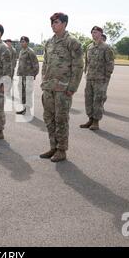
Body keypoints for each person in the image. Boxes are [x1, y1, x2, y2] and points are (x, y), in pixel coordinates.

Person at [40, 12, 84, 162]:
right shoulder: (49, 42)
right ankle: (53, 146)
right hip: (49, 87)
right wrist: (43, 81)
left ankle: (61, 150)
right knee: (49, 118)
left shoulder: (72, 42)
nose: (53, 25)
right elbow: (45, 64)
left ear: (64, 24)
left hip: (63, 88)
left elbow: (78, 66)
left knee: (61, 119)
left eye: (56, 22)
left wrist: (72, 87)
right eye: (52, 22)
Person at [80, 26, 115, 130]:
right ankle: (90, 119)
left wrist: (106, 78)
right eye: (92, 32)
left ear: (100, 34)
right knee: (88, 99)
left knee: (97, 100)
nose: (93, 34)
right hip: (90, 78)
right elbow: (87, 62)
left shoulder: (106, 48)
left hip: (101, 79)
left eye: (95, 32)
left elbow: (110, 64)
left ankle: (96, 122)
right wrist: (86, 72)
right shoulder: (89, 47)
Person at [16, 36, 39, 115]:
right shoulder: (21, 51)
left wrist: (33, 75)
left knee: (28, 93)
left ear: (27, 42)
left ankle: (28, 110)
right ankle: (24, 108)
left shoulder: (30, 51)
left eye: (23, 41)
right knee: (22, 92)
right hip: (21, 76)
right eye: (21, 41)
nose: (22, 43)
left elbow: (35, 64)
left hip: (28, 76)